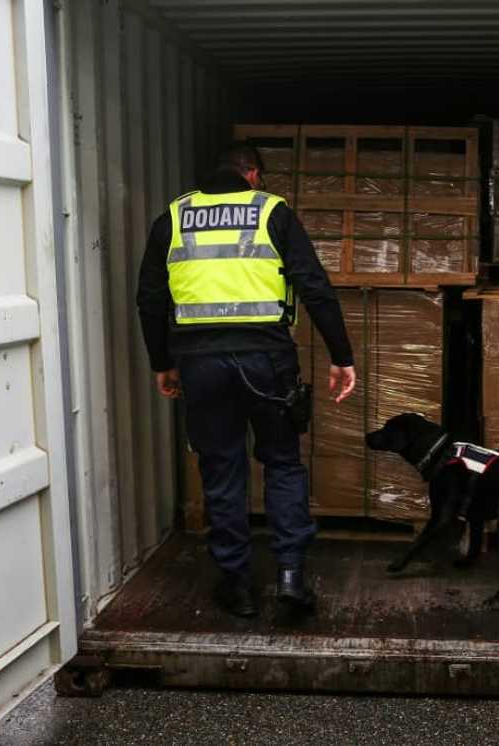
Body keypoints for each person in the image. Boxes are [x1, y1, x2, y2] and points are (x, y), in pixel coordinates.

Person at [136, 142, 356, 619]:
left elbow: (150, 299)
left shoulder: (172, 218)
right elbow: (313, 284)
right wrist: (342, 355)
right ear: (252, 174)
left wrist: (163, 362)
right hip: (268, 361)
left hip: (200, 364)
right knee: (281, 462)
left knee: (222, 469)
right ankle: (291, 578)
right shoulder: (272, 212)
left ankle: (235, 584)